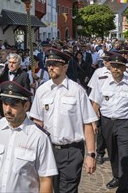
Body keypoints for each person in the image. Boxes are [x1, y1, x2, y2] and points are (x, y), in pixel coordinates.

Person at [29, 47, 98, 193]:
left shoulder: (77, 91)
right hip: (48, 150)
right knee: (48, 188)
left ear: (65, 67)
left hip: (71, 152)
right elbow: (37, 122)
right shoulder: (42, 90)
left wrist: (91, 154)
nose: (51, 68)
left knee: (68, 190)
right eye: (48, 64)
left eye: (55, 64)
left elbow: (87, 124)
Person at [0, 81, 58, 193]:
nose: (7, 110)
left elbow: (45, 179)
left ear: (26, 106)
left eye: (13, 105)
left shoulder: (39, 137)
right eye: (5, 104)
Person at [89, 54, 128, 192]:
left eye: (119, 66)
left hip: (125, 122)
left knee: (124, 154)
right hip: (107, 122)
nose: (116, 69)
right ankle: (116, 176)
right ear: (110, 67)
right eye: (114, 66)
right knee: (112, 152)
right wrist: (94, 122)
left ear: (125, 68)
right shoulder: (102, 82)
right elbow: (95, 103)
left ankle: (124, 188)